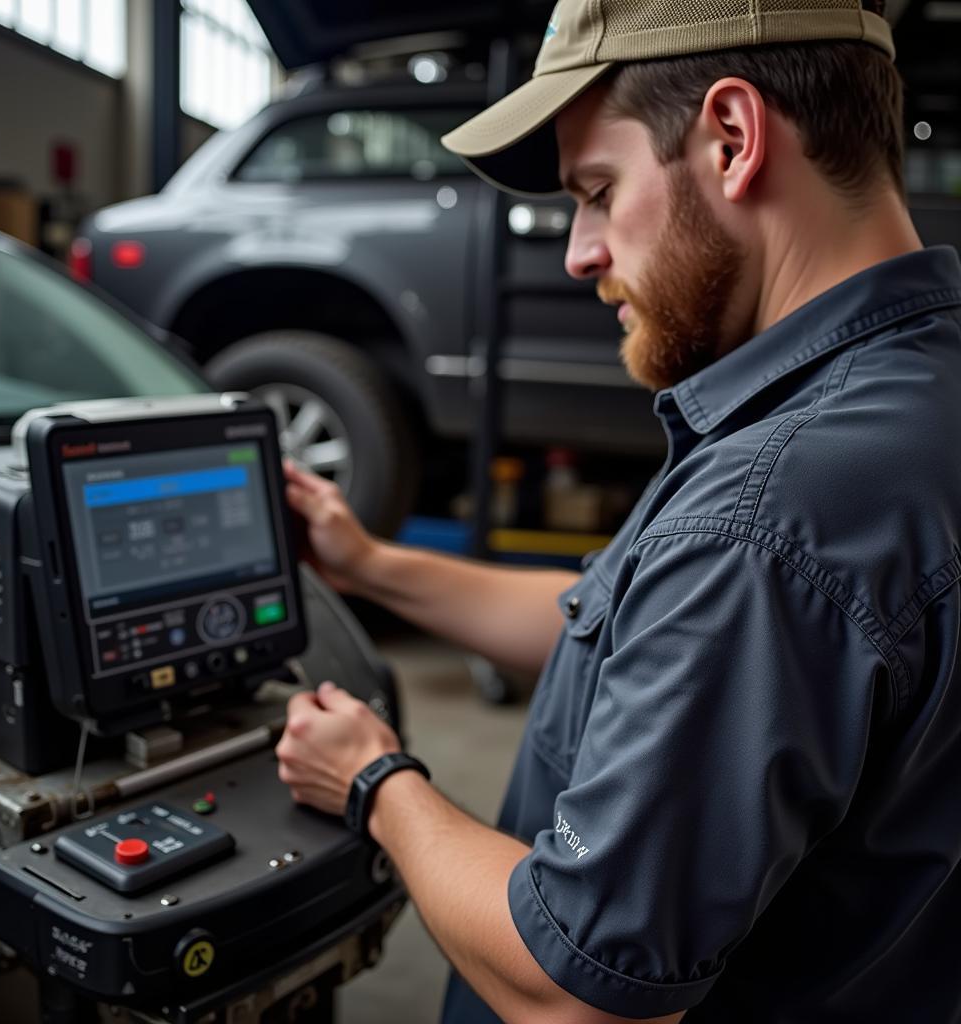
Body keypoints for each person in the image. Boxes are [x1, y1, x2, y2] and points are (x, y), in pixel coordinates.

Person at [275, 1, 961, 1021]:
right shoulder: (910, 393)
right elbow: (627, 625)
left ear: (731, 138)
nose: (578, 253)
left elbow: (579, 995)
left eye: (598, 192)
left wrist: (379, 784)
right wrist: (370, 561)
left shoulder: (764, 515)